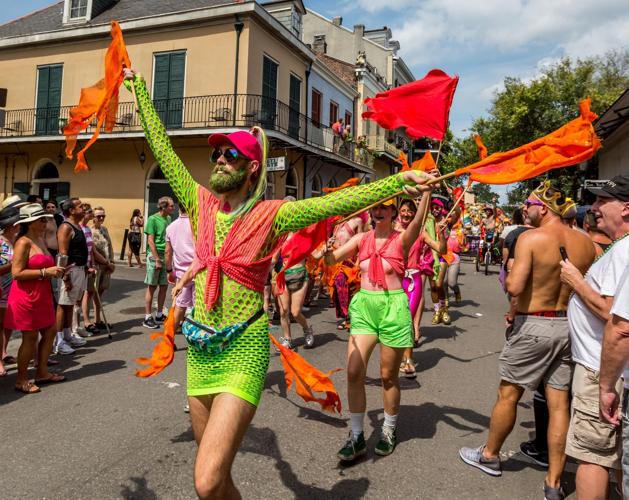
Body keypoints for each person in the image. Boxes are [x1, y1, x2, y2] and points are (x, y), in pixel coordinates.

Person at [124, 67, 433, 499]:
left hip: (243, 349)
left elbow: (337, 201)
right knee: (216, 483)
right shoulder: (199, 204)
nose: (218, 160)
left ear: (251, 168)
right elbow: (162, 147)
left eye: (229, 156)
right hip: (200, 349)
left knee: (206, 479)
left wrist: (399, 181)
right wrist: (138, 87)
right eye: (217, 155)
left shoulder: (273, 215)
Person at [459, 181, 596, 500]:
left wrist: (511, 272)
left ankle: (490, 456)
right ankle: (553, 482)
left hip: (535, 324)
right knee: (559, 403)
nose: (524, 208)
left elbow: (516, 287)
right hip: (568, 326)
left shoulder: (531, 238)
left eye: (529, 204)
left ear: (543, 209)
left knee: (509, 392)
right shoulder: (587, 243)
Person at [325, 191, 432, 460]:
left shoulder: (402, 239)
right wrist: (325, 251)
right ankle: (357, 435)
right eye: (375, 207)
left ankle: (388, 429)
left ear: (394, 212)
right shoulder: (361, 239)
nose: (379, 210)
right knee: (353, 372)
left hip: (393, 308)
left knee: (387, 377)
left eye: (385, 207)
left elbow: (418, 222)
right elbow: (330, 260)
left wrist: (426, 192)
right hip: (364, 308)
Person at [557, 174, 629, 498]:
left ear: (626, 208)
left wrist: (576, 281)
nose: (595, 207)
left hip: (602, 371)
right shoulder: (621, 248)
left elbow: (615, 318)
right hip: (606, 368)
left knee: (591, 457)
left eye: (603, 201)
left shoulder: (625, 251)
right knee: (613, 457)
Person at [6, 203, 65, 393]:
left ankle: (42, 372)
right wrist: (45, 271)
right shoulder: (23, 242)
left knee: (50, 331)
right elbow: (16, 273)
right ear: (31, 222)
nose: (46, 223)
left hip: (42, 295)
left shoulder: (40, 239)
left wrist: (55, 271)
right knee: (29, 338)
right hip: (26, 296)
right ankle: (21, 380)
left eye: (46, 219)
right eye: (42, 220)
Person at [396, 198, 445, 377]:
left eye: (410, 211)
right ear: (398, 212)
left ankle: (408, 359)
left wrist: (441, 235)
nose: (406, 213)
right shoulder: (390, 231)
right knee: (394, 320)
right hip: (394, 280)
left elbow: (441, 249)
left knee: (407, 319)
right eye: (403, 210)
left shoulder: (421, 232)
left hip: (413, 279)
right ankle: (396, 355)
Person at [55, 198, 89, 355]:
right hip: (70, 271)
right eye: (80, 206)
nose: (84, 208)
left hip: (80, 270)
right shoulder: (65, 227)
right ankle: (59, 340)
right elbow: (63, 255)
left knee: (70, 304)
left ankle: (68, 334)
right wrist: (66, 277)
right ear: (72, 210)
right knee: (63, 305)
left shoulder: (77, 226)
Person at [143, 197, 173, 329]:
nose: (173, 208)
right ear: (163, 207)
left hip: (165, 255)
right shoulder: (152, 219)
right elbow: (150, 241)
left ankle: (159, 314)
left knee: (164, 286)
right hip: (154, 256)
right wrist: (156, 259)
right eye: (171, 206)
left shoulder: (168, 219)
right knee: (152, 286)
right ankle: (147, 316)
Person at [85, 206, 115, 331]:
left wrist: (111, 262)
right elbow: (93, 251)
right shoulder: (90, 231)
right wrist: (105, 262)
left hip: (106, 265)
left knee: (100, 292)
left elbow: (110, 246)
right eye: (98, 216)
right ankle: (87, 321)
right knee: (90, 292)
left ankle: (98, 320)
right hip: (96, 265)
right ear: (93, 218)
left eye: (103, 216)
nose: (101, 218)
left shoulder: (104, 229)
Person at [165, 202, 194, 330]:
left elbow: (168, 252)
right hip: (198, 272)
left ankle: (168, 340)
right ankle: (199, 342)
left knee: (179, 307)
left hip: (181, 273)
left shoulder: (171, 227)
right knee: (199, 309)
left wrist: (169, 270)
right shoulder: (197, 225)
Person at [0, 206, 21, 376]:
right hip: (2, 288)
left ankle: (4, 352)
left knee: (8, 325)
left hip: (15, 289)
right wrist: (14, 266)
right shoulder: (0, 242)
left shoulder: (17, 240)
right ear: (11, 224)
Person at [427, 198, 450, 325]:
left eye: (438, 208)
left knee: (439, 284)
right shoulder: (427, 220)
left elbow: (457, 211)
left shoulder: (446, 221)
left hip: (442, 256)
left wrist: (442, 230)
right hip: (429, 256)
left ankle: (444, 309)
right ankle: (437, 311)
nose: (435, 210)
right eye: (433, 208)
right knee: (433, 287)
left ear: (442, 209)